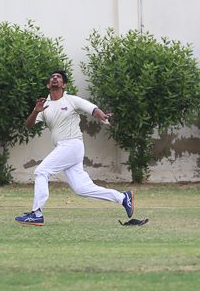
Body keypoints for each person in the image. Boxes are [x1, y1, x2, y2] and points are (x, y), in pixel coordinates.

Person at [15, 69, 134, 226]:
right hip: (65, 149)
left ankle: (37, 213)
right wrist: (35, 111)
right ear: (48, 85)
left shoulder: (71, 100)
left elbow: (92, 109)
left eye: (59, 77)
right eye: (52, 77)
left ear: (64, 85)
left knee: (41, 171)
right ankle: (123, 198)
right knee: (82, 189)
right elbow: (28, 125)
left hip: (72, 144)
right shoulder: (44, 106)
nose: (55, 78)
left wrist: (103, 116)